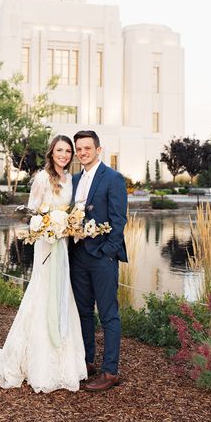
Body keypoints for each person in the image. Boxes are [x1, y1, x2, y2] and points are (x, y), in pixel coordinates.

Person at [0, 135, 87, 393]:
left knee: (61, 294)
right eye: (60, 150)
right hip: (46, 245)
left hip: (62, 245)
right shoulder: (42, 177)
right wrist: (46, 226)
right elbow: (32, 212)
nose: (65, 155)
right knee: (43, 292)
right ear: (51, 153)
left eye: (68, 151)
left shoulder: (71, 179)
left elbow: (73, 211)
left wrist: (68, 225)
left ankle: (63, 361)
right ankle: (36, 361)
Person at [69, 130, 128, 392]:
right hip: (77, 255)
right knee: (83, 313)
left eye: (87, 148)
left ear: (98, 150)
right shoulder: (72, 180)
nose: (82, 153)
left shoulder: (113, 179)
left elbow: (118, 221)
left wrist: (107, 252)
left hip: (102, 257)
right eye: (78, 149)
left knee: (108, 315)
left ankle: (110, 371)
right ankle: (87, 363)